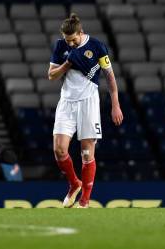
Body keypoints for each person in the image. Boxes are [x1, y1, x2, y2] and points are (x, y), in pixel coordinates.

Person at [48, 13, 123, 208]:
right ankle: (74, 184)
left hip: (88, 102)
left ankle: (84, 202)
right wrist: (68, 63)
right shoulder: (61, 46)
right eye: (67, 40)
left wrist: (115, 104)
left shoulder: (97, 47)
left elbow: (110, 78)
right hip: (66, 102)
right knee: (59, 149)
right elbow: (51, 76)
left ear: (81, 33)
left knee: (87, 154)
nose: (70, 44)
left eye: (73, 40)